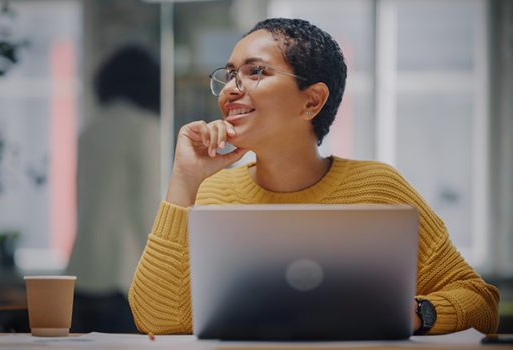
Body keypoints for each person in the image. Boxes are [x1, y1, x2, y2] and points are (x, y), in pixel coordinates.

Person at [128, 18, 499, 335]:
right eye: (229, 74)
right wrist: (184, 179)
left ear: (312, 101)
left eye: (255, 71)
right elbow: (157, 319)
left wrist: (418, 313)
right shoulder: (212, 193)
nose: (229, 89)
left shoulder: (380, 187)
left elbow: (481, 304)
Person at [67, 46, 160, 332]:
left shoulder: (90, 131)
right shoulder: (144, 127)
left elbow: (80, 199)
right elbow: (147, 207)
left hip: (82, 268)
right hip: (124, 273)